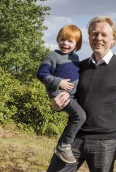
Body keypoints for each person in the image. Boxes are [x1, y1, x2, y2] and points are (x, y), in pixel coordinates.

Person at [45, 16, 116, 172]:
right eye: (94, 34)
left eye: (104, 35)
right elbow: (69, 99)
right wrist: (56, 106)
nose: (98, 38)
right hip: (73, 139)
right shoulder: (78, 66)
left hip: (105, 143)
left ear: (113, 39)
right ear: (89, 37)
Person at [37, 25, 86, 164]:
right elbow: (41, 74)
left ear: (77, 44)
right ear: (58, 39)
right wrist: (59, 82)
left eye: (70, 41)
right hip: (60, 95)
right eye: (63, 39)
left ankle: (68, 144)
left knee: (76, 117)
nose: (65, 43)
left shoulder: (75, 57)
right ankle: (64, 146)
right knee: (80, 116)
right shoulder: (53, 56)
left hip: (71, 95)